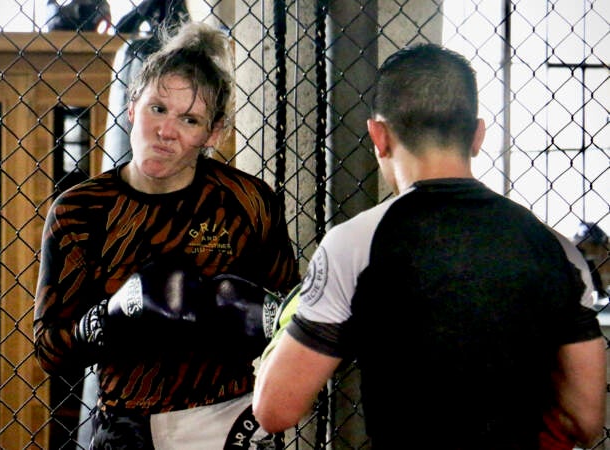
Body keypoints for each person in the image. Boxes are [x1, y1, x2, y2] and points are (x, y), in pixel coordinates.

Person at [252, 42, 606, 449]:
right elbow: (585, 421)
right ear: (477, 135)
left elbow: (275, 409)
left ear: (378, 135)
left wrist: (288, 322)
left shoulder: (354, 244)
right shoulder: (556, 249)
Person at [33, 20, 300, 449]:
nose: (167, 131)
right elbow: (49, 350)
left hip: (231, 415)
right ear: (131, 107)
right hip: (128, 421)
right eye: (158, 108)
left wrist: (258, 316)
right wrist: (111, 317)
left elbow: (294, 325)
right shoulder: (80, 210)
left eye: (189, 119)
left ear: (213, 133)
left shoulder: (248, 202)